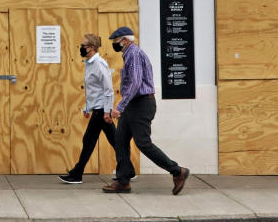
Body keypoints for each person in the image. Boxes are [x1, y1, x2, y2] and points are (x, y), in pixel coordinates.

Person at [102, 26, 189, 195]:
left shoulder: (133, 54)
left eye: (116, 42)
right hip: (133, 104)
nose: (115, 45)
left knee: (143, 143)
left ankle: (178, 171)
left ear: (125, 41)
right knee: (120, 140)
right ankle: (123, 181)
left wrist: (119, 107)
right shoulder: (129, 54)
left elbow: (135, 83)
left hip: (141, 104)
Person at [58, 33, 133, 183]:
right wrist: (87, 107)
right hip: (97, 108)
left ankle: (77, 174)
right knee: (115, 140)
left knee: (88, 141)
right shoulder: (90, 63)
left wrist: (107, 112)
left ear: (91, 48)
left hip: (101, 110)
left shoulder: (99, 64)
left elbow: (108, 90)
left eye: (83, 45)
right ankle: (129, 170)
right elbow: (94, 90)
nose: (81, 48)